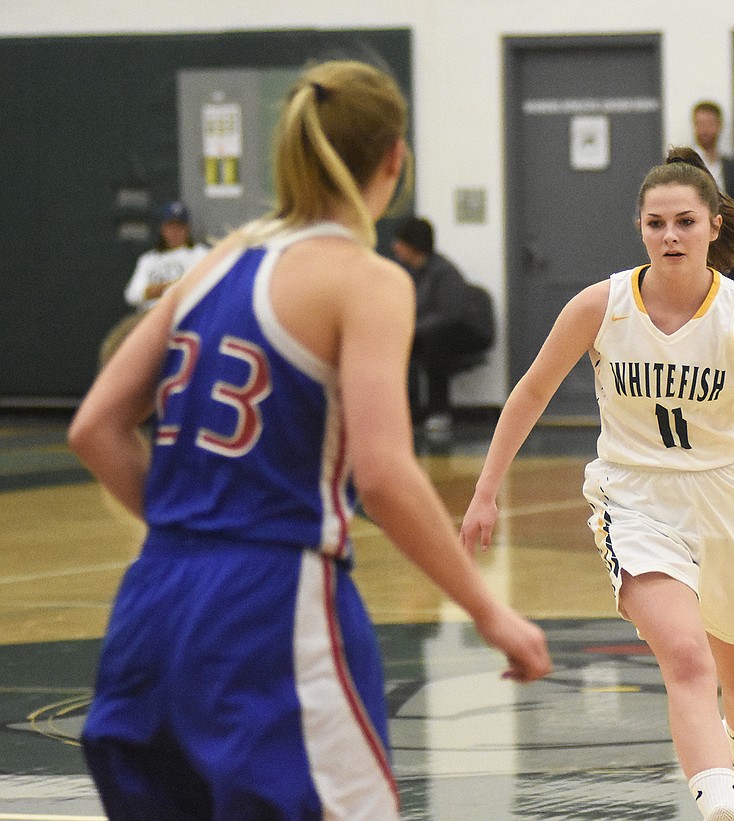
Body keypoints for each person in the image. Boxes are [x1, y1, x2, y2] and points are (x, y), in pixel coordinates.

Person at [68, 60, 551, 820]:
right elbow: (384, 472)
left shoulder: (210, 265)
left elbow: (94, 427)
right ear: (395, 158)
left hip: (150, 605)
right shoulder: (366, 279)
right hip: (269, 602)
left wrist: (187, 525)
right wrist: (490, 611)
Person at [460, 147, 734, 821]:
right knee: (686, 659)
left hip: (727, 502)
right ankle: (718, 806)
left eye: (685, 221)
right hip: (634, 501)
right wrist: (486, 487)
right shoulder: (601, 306)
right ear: (640, 227)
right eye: (656, 223)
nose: (670, 236)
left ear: (714, 226)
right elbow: (531, 391)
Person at [392, 216, 494, 438]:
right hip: (433, 332)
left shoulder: (444, 272)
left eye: (401, 241)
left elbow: (450, 315)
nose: (395, 247)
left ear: (414, 244)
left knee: (433, 343)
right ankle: (405, 409)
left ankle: (439, 411)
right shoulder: (412, 274)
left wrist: (413, 330)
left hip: (465, 333)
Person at [98, 200, 210, 367]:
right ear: (163, 229)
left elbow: (206, 285)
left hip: (184, 316)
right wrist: (153, 291)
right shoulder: (149, 259)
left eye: (179, 227)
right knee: (115, 342)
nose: (175, 232)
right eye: (170, 226)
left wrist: (173, 288)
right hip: (149, 317)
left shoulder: (200, 254)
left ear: (187, 229)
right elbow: (131, 295)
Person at [691, 100, 734, 204]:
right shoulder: (684, 165)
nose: (704, 130)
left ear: (719, 126)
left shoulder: (732, 168)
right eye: (700, 124)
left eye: (709, 124)